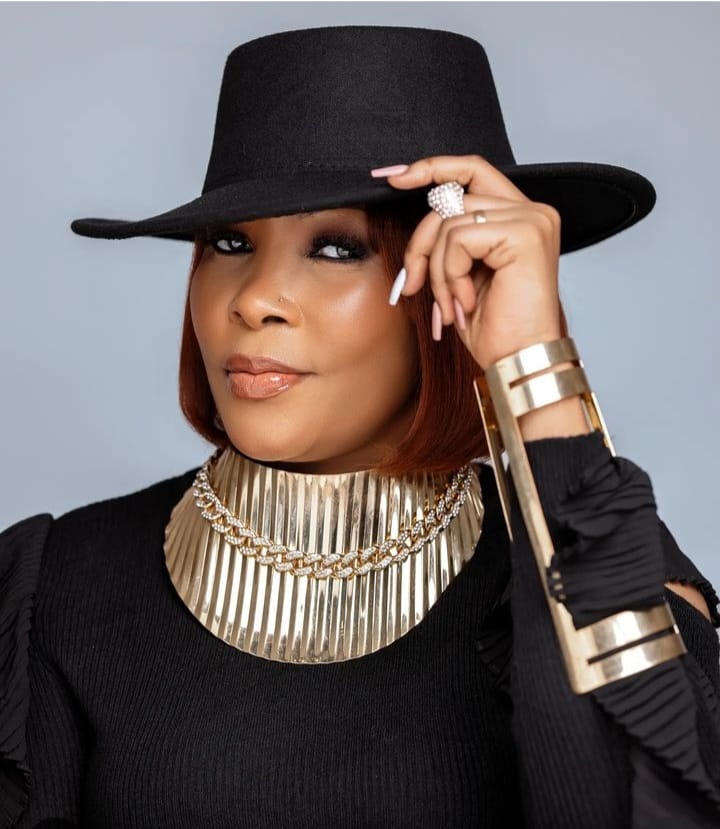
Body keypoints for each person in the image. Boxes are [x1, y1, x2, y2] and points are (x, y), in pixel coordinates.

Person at [1, 24, 718, 829]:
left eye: (338, 249)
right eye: (230, 242)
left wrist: (531, 366)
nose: (254, 298)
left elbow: (649, 809)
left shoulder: (598, 557)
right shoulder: (59, 584)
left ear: (452, 277)